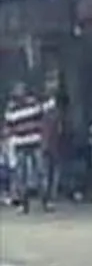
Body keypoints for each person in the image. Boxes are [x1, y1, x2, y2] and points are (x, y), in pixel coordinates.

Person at [4, 82, 51, 212]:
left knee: (41, 171)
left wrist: (43, 138)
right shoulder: (11, 108)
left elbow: (43, 119)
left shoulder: (33, 104)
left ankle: (45, 201)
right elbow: (8, 127)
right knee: (21, 175)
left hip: (35, 142)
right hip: (20, 144)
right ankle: (24, 204)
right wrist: (9, 142)